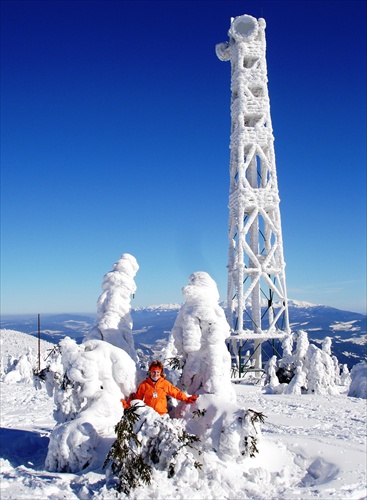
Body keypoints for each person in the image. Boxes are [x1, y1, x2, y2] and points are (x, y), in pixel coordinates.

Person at [121, 360, 198, 416]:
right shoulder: (144, 384)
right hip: (149, 415)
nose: (156, 374)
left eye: (158, 372)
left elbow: (176, 392)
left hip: (162, 414)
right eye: (154, 372)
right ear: (150, 372)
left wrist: (186, 399)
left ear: (160, 373)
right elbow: (138, 399)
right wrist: (128, 406)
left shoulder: (164, 383)